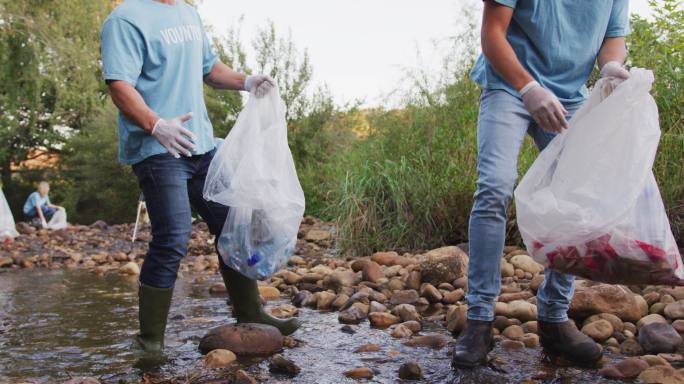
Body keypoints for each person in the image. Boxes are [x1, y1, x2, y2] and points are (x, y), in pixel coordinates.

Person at [100, 0, 300, 354]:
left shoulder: (188, 13)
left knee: (232, 223)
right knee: (173, 238)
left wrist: (246, 81)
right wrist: (155, 124)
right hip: (158, 148)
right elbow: (119, 85)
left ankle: (251, 313)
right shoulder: (125, 19)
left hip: (202, 146)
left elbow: (210, 68)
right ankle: (149, 344)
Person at [452, 0, 631, 368]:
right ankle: (480, 319)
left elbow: (613, 38)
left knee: (575, 197)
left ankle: (553, 318)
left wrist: (612, 67)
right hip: (509, 86)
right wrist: (529, 87)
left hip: (571, 95)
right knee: (495, 188)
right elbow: (492, 34)